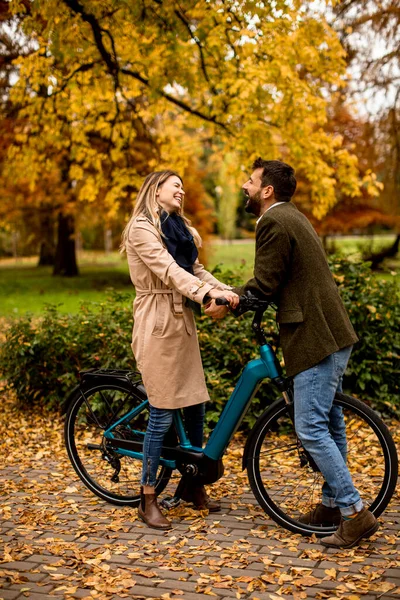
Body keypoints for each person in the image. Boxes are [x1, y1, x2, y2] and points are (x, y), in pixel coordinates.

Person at [205, 158, 379, 549]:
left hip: (314, 337)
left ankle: (354, 512)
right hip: (331, 333)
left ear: (267, 190)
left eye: (250, 182)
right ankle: (333, 505)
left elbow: (265, 283)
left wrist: (229, 302)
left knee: (311, 427)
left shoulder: (273, 222)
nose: (244, 187)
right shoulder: (293, 217)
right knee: (330, 424)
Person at [121, 170, 239, 530]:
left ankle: (191, 485)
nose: (182, 191)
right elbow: (168, 270)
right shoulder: (142, 228)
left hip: (181, 322)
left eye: (184, 187)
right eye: (176, 186)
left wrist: (228, 290)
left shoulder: (177, 228)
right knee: (161, 411)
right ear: (156, 190)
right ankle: (147, 497)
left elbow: (195, 269)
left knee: (196, 405)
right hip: (156, 322)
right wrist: (205, 295)